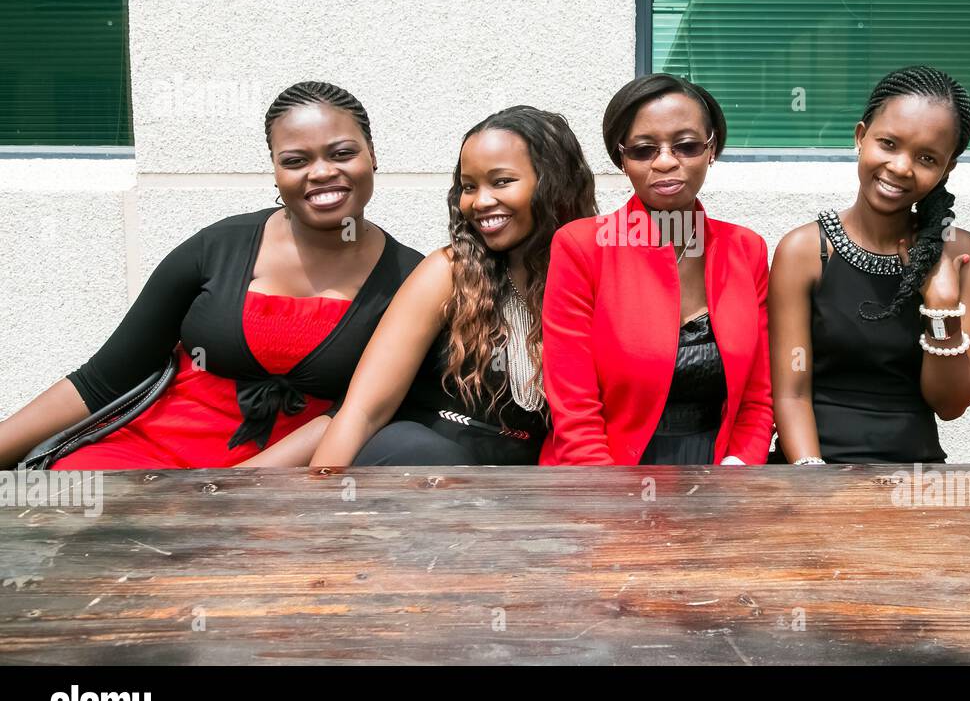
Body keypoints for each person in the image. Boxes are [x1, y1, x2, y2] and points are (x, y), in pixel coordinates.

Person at [0, 81, 423, 470]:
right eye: (295, 160)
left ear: (373, 155)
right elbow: (103, 380)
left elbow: (365, 410)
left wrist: (233, 488)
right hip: (148, 454)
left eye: (342, 153)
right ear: (275, 171)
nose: (321, 172)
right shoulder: (219, 247)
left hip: (290, 476)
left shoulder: (411, 279)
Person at [309, 107, 596, 466]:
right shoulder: (448, 272)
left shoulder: (591, 278)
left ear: (556, 183)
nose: (479, 201)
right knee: (427, 452)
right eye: (469, 186)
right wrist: (317, 504)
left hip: (520, 488)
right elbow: (363, 412)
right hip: (421, 471)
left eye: (502, 181)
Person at [539, 74, 772, 466]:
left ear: (711, 149)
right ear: (622, 158)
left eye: (686, 145)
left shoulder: (746, 250)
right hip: (609, 470)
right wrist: (611, 500)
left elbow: (758, 394)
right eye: (644, 150)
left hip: (720, 471)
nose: (666, 162)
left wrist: (740, 472)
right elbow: (574, 407)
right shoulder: (582, 247)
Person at [769, 65, 970, 465]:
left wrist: (940, 308)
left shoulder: (961, 256)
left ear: (947, 168)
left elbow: (951, 404)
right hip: (812, 471)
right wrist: (812, 483)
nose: (902, 167)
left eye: (926, 157)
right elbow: (791, 391)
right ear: (860, 137)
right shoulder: (804, 251)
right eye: (888, 143)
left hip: (915, 481)